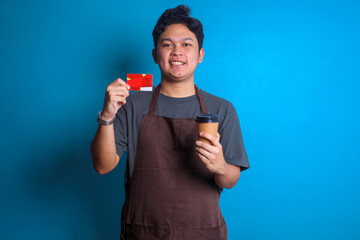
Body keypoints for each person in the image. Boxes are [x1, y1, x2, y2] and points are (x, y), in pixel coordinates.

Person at [91, 5, 249, 240]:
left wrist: (220, 166)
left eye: (186, 44)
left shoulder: (221, 109)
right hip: (143, 234)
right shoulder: (133, 104)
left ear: (200, 55)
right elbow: (103, 166)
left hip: (203, 234)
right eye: (167, 44)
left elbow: (230, 179)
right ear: (155, 55)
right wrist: (107, 115)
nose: (177, 52)